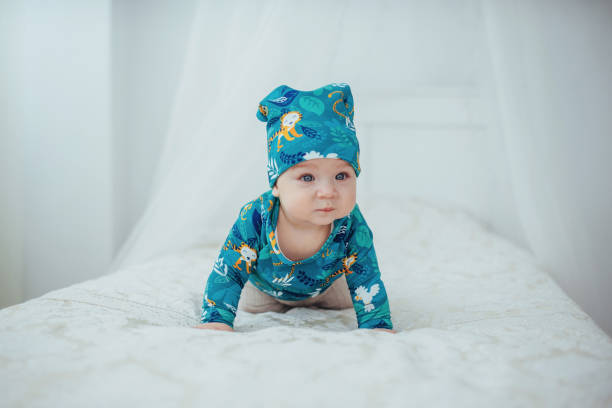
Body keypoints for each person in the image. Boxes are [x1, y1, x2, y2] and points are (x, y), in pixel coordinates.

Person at [195, 83, 395, 333]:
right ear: (276, 185)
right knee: (246, 302)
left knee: (351, 293)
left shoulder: (350, 222)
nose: (328, 191)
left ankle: (327, 300)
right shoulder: (257, 215)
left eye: (341, 176)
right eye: (308, 178)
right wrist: (217, 319)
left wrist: (376, 325)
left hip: (328, 287)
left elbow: (366, 275)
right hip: (266, 291)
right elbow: (229, 270)